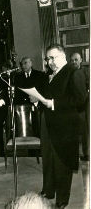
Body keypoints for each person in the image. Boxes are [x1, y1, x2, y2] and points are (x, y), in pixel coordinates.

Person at [37, 44, 87, 208]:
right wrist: (39, 99)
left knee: (62, 162)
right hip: (49, 123)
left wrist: (53, 103)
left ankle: (62, 201)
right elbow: (50, 96)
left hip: (65, 126)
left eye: (53, 58)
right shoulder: (52, 75)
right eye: (48, 59)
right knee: (49, 159)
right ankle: (49, 191)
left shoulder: (74, 72)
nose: (49, 62)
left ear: (63, 56)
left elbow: (80, 100)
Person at [70, 52, 90, 161]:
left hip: (84, 105)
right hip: (72, 106)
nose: (74, 62)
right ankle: (74, 154)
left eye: (76, 60)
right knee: (73, 132)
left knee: (85, 131)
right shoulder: (68, 73)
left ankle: (86, 153)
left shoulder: (86, 72)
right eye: (72, 60)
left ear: (81, 60)